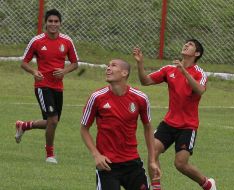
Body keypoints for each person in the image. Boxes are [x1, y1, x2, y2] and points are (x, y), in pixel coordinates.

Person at [133, 39, 216, 190]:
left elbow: (200, 90)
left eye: (190, 45)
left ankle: (207, 184)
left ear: (197, 53)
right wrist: (140, 63)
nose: (185, 45)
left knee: (180, 164)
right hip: (169, 123)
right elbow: (145, 81)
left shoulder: (199, 73)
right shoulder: (169, 69)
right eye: (185, 43)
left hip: (187, 126)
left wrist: (184, 71)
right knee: (153, 152)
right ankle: (156, 187)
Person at [80, 59, 161, 190]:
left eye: (113, 65)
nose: (108, 68)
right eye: (107, 65)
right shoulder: (96, 97)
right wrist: (96, 155)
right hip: (107, 165)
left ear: (124, 73)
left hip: (133, 163)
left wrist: (152, 160)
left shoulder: (140, 98)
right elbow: (84, 129)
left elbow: (148, 127)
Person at [15, 9, 79, 164]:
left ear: (60, 23)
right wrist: (34, 71)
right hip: (42, 85)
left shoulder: (67, 41)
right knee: (53, 120)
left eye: (56, 21)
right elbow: (24, 63)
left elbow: (75, 63)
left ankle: (23, 125)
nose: (53, 24)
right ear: (45, 23)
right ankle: (49, 155)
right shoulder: (37, 41)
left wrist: (63, 71)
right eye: (50, 21)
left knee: (51, 122)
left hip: (58, 87)